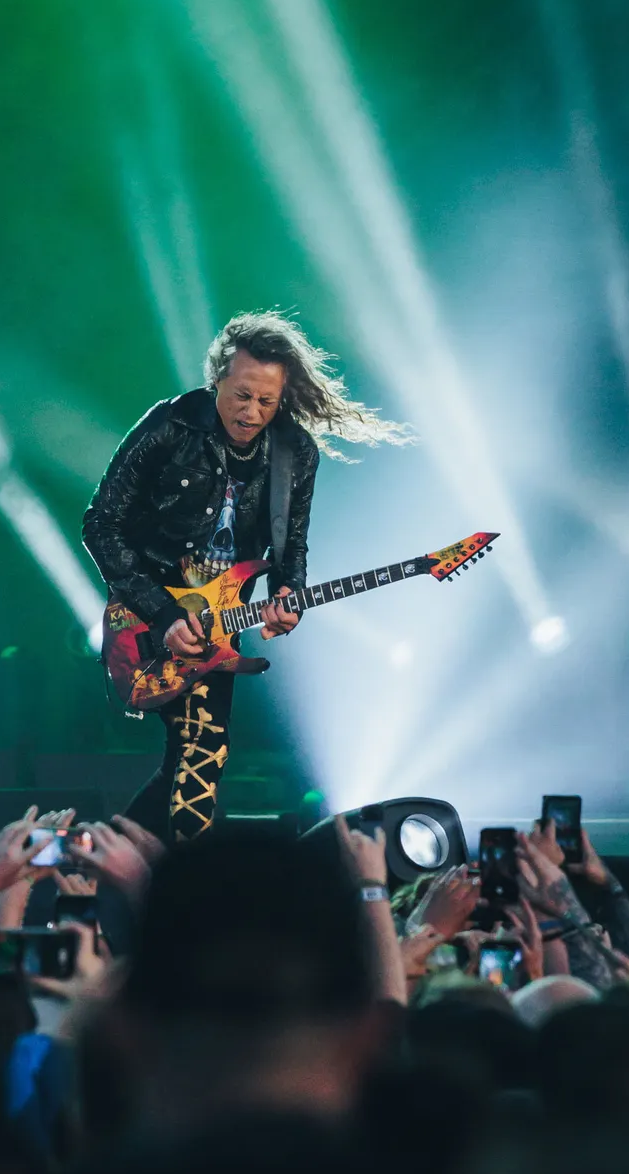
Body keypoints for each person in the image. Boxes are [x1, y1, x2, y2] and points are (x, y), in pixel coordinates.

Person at [82, 311, 408, 842]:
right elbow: (100, 523)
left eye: (266, 401)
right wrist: (161, 613)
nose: (252, 412)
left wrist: (288, 595)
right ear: (217, 380)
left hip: (222, 621)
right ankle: (164, 883)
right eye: (241, 395)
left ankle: (107, 861)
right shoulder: (171, 426)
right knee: (200, 756)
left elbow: (291, 547)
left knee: (195, 760)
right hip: (150, 613)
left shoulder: (295, 452)